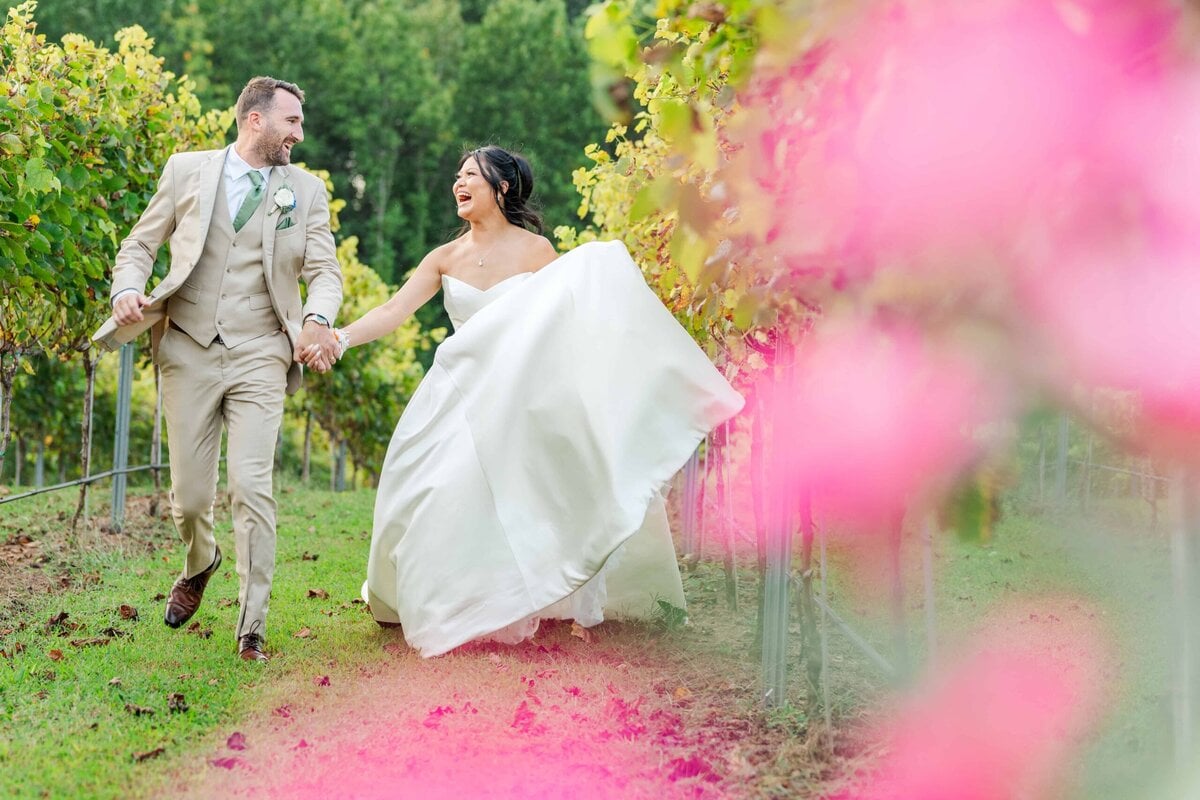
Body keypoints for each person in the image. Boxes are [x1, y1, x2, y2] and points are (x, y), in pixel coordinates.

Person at [311, 145, 741, 657]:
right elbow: (395, 310)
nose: (458, 183)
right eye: (457, 175)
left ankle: (520, 594)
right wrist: (338, 338)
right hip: (459, 394)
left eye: (470, 174)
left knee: (523, 494)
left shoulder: (538, 252)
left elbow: (572, 314)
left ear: (503, 187)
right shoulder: (444, 258)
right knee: (426, 488)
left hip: (521, 396)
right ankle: (443, 594)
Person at [92, 76, 344, 662]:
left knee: (252, 488)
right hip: (187, 345)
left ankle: (251, 624)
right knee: (190, 498)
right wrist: (126, 290)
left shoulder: (305, 191)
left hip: (261, 349)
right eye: (292, 122)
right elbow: (140, 245)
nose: (299, 135)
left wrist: (317, 317)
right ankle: (200, 559)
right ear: (255, 120)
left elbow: (325, 271)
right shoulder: (186, 171)